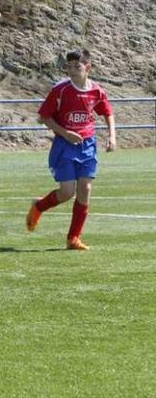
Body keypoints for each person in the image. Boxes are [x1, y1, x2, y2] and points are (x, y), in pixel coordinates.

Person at [26, 50, 116, 251]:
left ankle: (73, 238)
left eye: (78, 66)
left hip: (88, 145)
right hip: (64, 146)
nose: (73, 70)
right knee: (67, 192)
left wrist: (112, 137)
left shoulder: (96, 91)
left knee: (86, 189)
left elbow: (107, 112)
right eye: (70, 67)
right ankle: (39, 206)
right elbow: (43, 117)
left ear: (88, 68)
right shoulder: (61, 90)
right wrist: (65, 133)